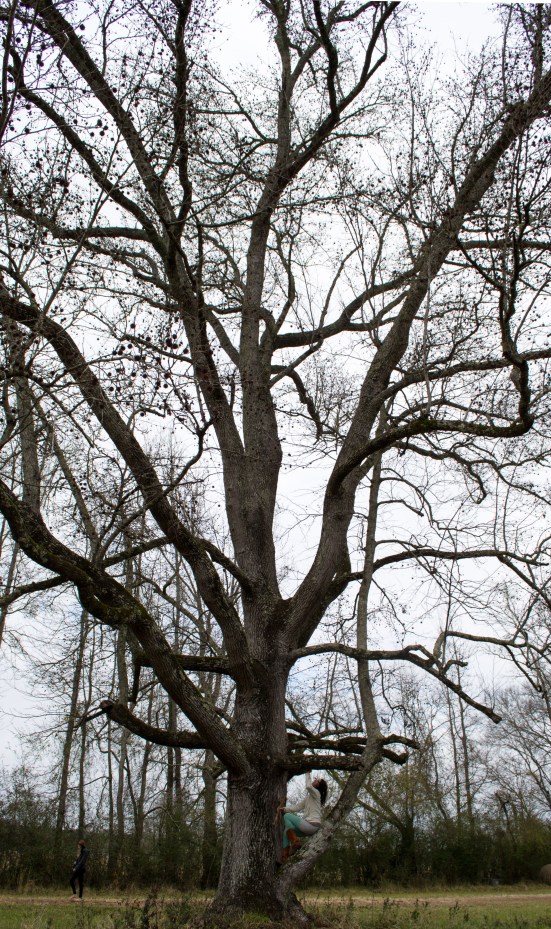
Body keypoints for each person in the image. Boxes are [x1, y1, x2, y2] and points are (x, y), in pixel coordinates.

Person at [278, 773, 328, 861]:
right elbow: (297, 807)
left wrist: (307, 772)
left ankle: (295, 842)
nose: (315, 780)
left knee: (287, 816)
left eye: (317, 780)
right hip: (308, 828)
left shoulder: (317, 794)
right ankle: (284, 857)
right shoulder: (309, 797)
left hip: (312, 825)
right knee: (286, 832)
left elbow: (308, 786)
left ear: (318, 785)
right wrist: (284, 809)